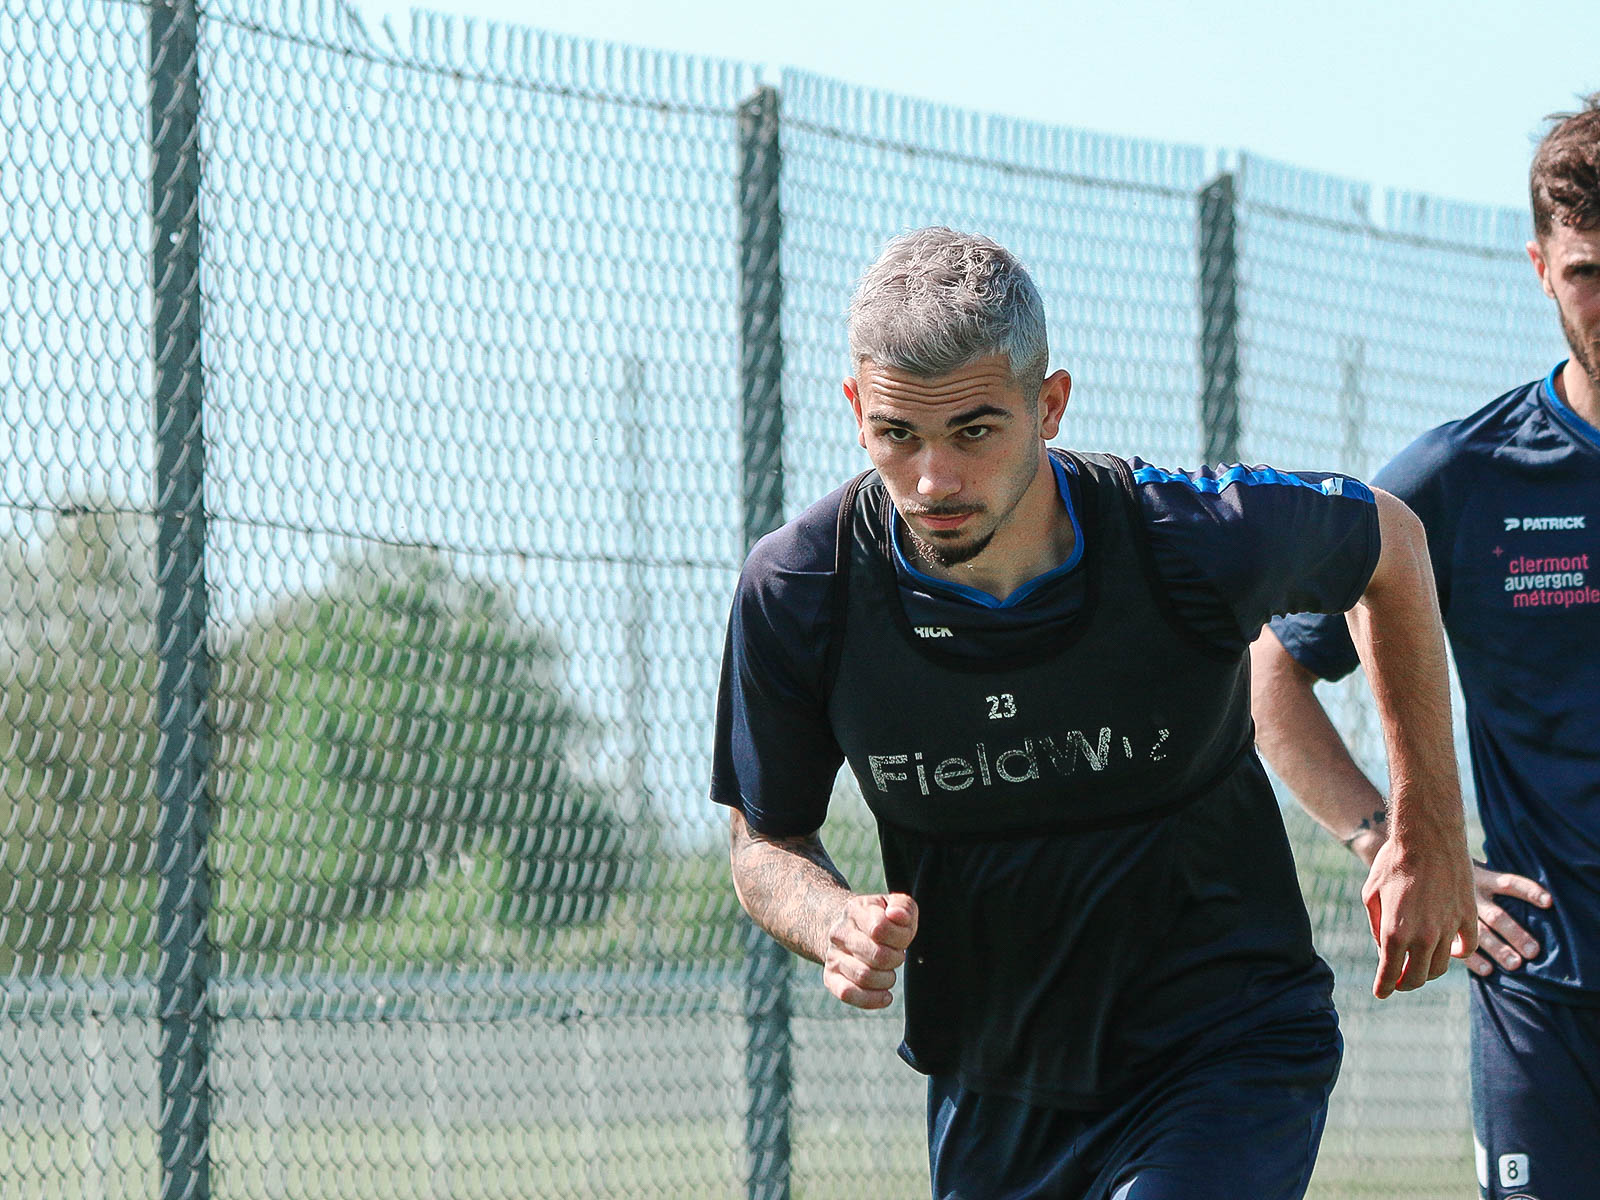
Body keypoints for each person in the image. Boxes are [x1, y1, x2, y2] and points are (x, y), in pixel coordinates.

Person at [711, 226, 1476, 1198]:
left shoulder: (1186, 537)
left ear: (1050, 406)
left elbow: (1390, 543)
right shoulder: (799, 589)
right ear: (858, 409)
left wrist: (1427, 825)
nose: (933, 480)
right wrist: (834, 920)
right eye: (898, 435)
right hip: (994, 1089)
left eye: (975, 431)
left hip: (1223, 1050)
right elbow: (762, 841)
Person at [1252, 95, 1600, 1200]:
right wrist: (1389, 842)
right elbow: (1272, 679)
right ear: (1540, 267)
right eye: (1590, 270)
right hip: (1550, 1000)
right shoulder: (1460, 479)